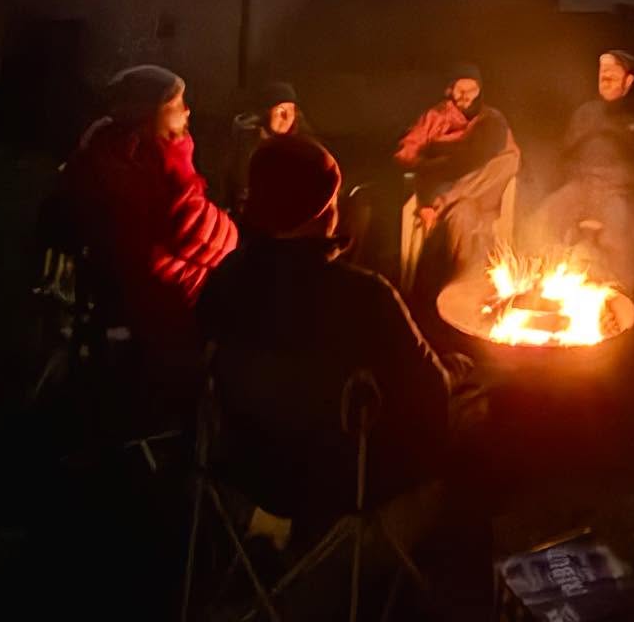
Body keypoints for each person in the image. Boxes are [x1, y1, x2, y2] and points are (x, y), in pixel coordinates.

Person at [197, 135, 463, 523]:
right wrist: (452, 375)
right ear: (322, 212)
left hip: (249, 471)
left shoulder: (225, 280)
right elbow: (431, 397)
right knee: (473, 410)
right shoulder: (364, 295)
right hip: (343, 479)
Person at [56, 64, 238, 356]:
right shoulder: (156, 164)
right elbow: (197, 230)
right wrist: (235, 230)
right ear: (148, 117)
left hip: (121, 290)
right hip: (162, 303)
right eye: (177, 104)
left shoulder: (106, 151)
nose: (187, 111)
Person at [529, 50, 634, 304]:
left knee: (617, 231)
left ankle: (618, 298)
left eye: (612, 73)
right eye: (602, 72)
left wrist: (631, 181)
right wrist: (561, 184)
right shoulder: (586, 114)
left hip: (618, 191)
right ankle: (542, 290)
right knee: (543, 218)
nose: (605, 78)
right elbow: (564, 155)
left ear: (628, 81)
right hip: (581, 185)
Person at [393, 64, 519, 282]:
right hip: (450, 190)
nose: (466, 95)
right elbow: (405, 152)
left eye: (472, 90)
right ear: (450, 90)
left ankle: (446, 200)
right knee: (463, 214)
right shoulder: (435, 116)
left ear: (480, 91)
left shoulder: (492, 119)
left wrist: (461, 161)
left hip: (481, 189)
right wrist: (430, 165)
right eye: (460, 89)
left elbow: (508, 157)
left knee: (508, 160)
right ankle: (461, 285)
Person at [223, 77, 313, 217]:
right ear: (264, 113)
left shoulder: (304, 147)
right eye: (280, 110)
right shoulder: (246, 146)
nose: (286, 116)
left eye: (291, 109)